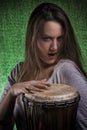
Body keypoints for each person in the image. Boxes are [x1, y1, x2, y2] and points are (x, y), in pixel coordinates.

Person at [0, 2, 87, 130]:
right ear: (33, 38)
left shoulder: (66, 69)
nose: (55, 47)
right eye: (47, 38)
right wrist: (12, 92)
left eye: (60, 38)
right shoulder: (18, 71)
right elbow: (2, 123)